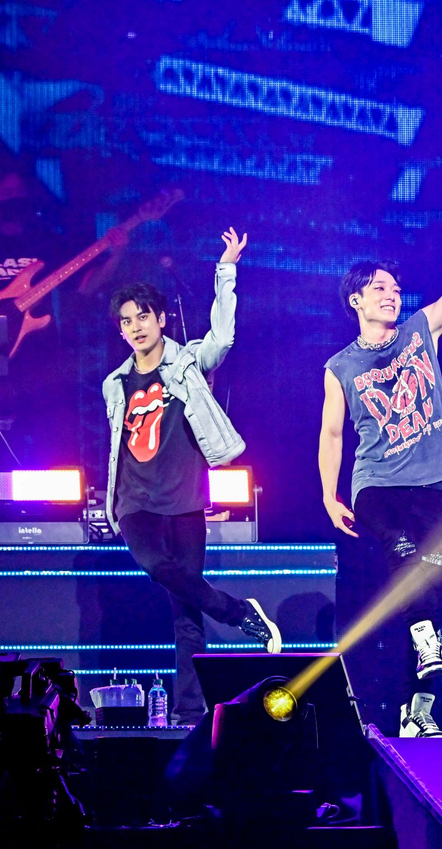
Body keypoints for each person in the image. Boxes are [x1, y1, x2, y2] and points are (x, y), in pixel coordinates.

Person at [319, 177, 442, 738]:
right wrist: (329, 494)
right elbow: (332, 434)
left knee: (427, 584)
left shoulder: (421, 330)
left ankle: (419, 708)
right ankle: (420, 652)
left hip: (433, 482)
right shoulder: (340, 366)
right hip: (376, 486)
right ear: (356, 300)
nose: (392, 294)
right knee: (402, 551)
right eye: (380, 288)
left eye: (395, 287)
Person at [102, 227, 280, 726]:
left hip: (183, 499)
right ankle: (237, 611)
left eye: (143, 317)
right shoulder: (114, 384)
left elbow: (223, 338)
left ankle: (187, 711)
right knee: (156, 566)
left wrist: (227, 271)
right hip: (134, 502)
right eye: (126, 321)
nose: (136, 327)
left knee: (185, 609)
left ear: (161, 319)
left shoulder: (187, 362)